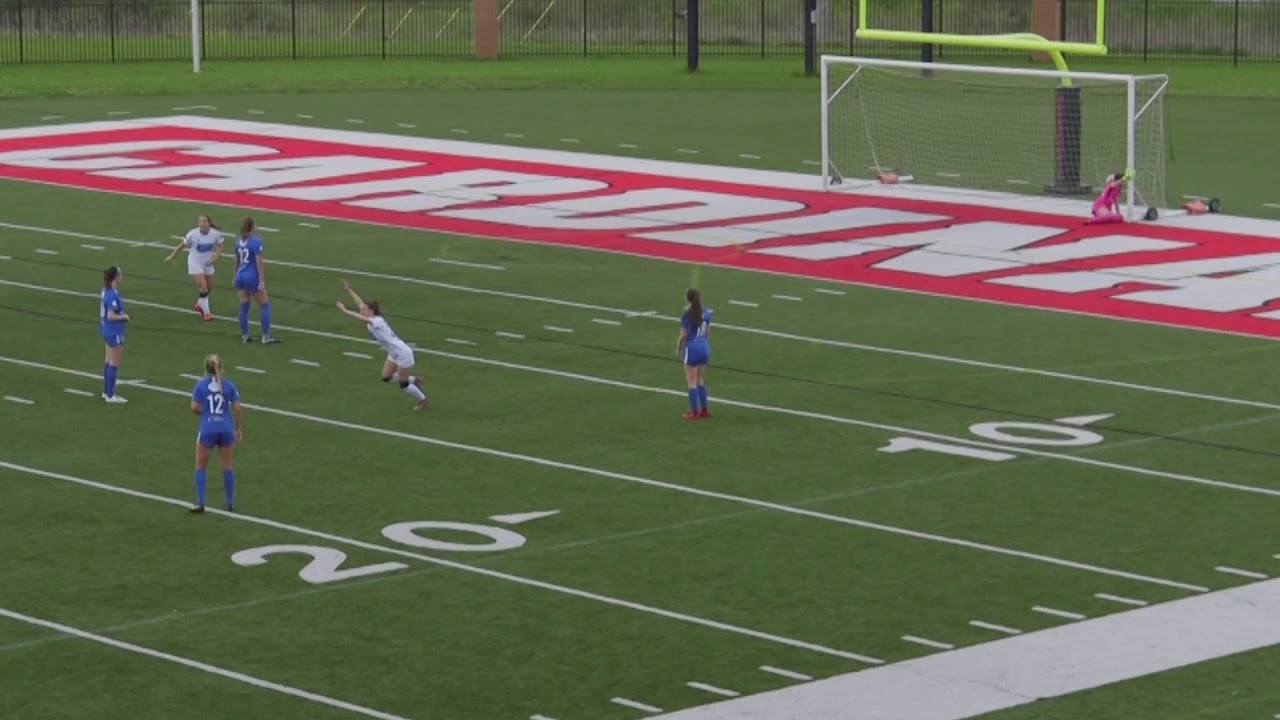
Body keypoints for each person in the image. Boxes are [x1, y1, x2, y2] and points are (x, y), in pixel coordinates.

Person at [336, 279, 429, 410]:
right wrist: (349, 289)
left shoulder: (377, 321)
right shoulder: (372, 317)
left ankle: (423, 400)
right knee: (386, 377)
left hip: (403, 354)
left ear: (371, 312)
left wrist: (345, 311)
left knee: (404, 385)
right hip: (393, 353)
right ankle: (415, 380)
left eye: (365, 310)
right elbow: (360, 303)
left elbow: (361, 317)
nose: (362, 311)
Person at [189, 354, 243, 513]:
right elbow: (238, 408)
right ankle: (230, 503)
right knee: (227, 466)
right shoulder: (229, 385)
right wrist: (238, 429)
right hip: (226, 429)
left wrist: (204, 413)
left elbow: (193, 407)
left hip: (208, 428)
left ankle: (200, 502)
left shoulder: (200, 385)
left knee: (201, 466)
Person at [164, 214, 223, 321]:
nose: (202, 224)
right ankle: (207, 313)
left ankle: (200, 304)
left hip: (208, 262)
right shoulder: (193, 234)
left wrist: (216, 257)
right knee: (203, 286)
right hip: (194, 262)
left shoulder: (215, 234)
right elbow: (182, 245)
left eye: (204, 221)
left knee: (209, 287)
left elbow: (220, 244)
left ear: (209, 223)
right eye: (200, 222)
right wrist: (172, 256)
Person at [232, 216, 278, 344]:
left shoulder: (238, 241)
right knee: (264, 304)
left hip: (240, 275)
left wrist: (235, 276)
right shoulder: (256, 241)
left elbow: (236, 260)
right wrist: (261, 280)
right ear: (252, 226)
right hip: (251, 276)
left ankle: (245, 336)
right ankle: (266, 336)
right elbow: (259, 263)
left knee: (244, 305)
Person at [676, 287, 712, 420]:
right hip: (705, 347)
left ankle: (695, 413)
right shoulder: (707, 312)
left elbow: (683, 335)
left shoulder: (688, 314)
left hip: (692, 348)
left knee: (691, 381)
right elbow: (708, 332)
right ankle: (704, 410)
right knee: (700, 380)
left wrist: (678, 348)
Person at [100, 265, 130, 404]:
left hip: (106, 329)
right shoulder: (112, 294)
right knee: (114, 363)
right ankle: (111, 395)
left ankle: (106, 392)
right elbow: (111, 315)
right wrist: (124, 317)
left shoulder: (105, 291)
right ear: (116, 277)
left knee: (108, 360)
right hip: (113, 331)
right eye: (120, 275)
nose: (121, 277)